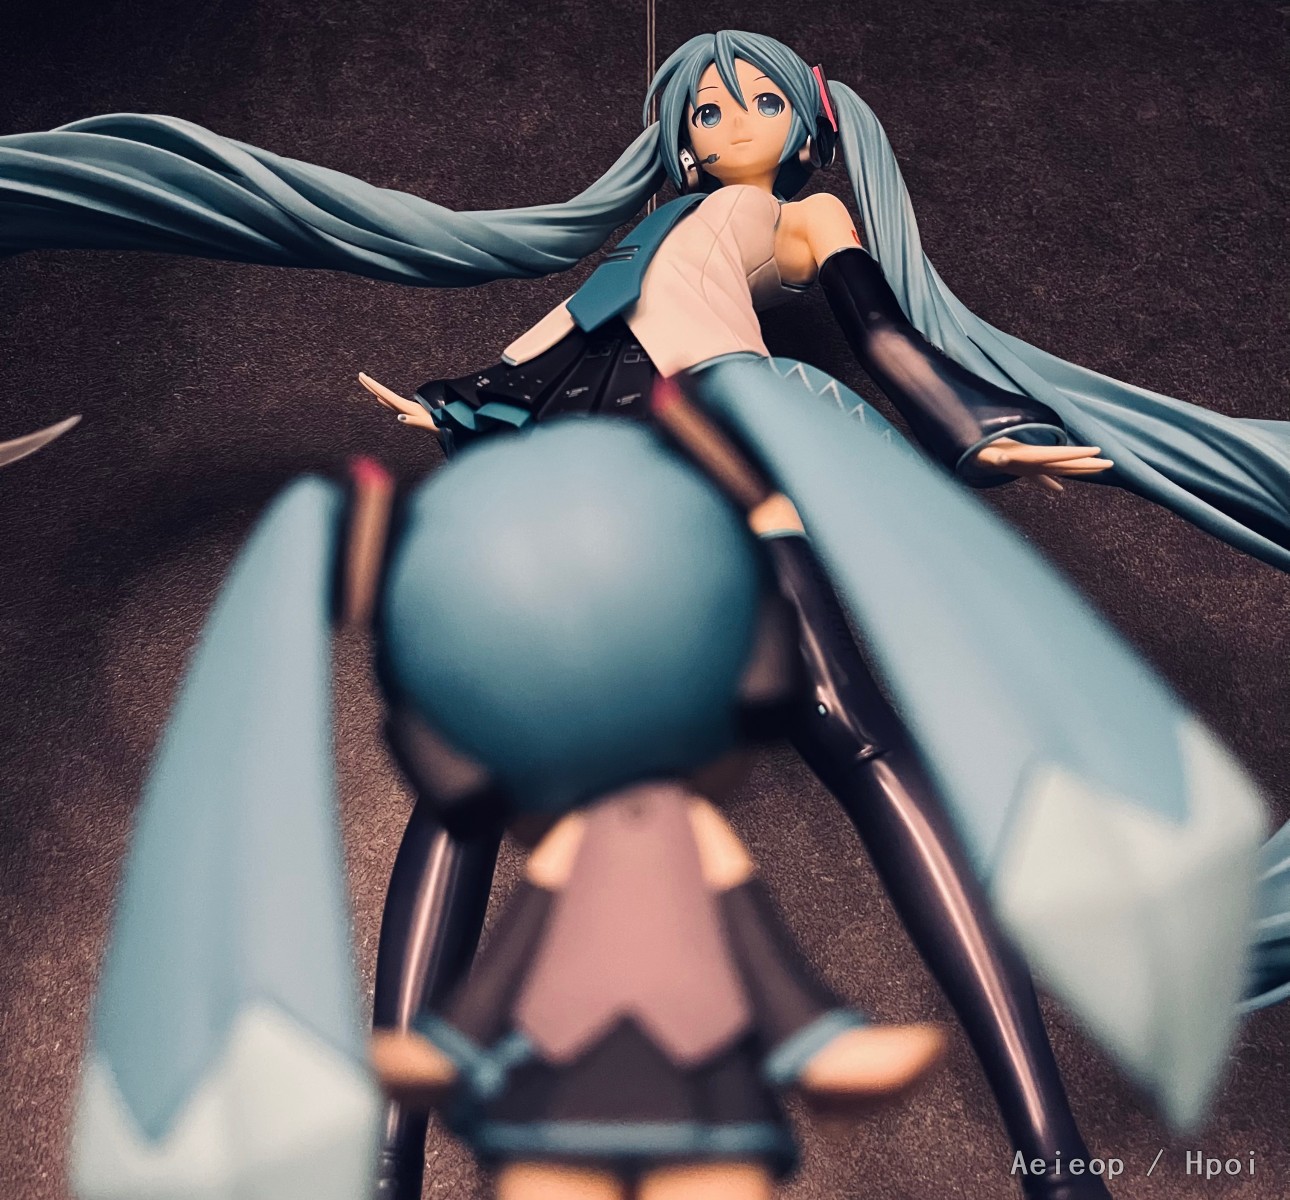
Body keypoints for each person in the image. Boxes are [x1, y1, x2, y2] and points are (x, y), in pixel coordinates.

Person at [1, 29, 1280, 1200]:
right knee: (474, 774)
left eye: (755, 98)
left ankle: (1054, 1155)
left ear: (809, 125)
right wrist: (457, 400)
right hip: (590, 470)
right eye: (704, 107)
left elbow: (883, 333)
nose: (726, 118)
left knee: (854, 736)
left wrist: (975, 429)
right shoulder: (654, 231)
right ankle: (385, 1164)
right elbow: (561, 337)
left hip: (723, 435)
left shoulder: (806, 214)